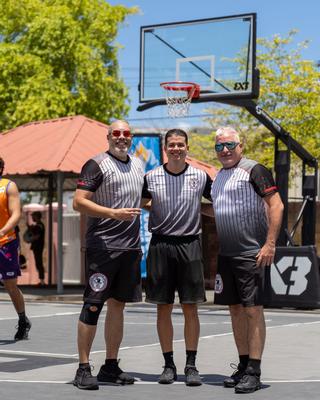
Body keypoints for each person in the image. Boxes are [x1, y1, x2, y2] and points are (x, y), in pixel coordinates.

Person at [210, 127, 284, 394]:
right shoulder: (218, 177)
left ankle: (254, 370)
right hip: (227, 255)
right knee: (235, 310)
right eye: (219, 147)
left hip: (251, 253)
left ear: (241, 145)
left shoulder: (254, 170)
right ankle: (243, 365)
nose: (225, 150)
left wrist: (270, 243)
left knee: (253, 310)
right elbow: (219, 210)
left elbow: (277, 205)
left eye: (229, 145)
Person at [72, 120, 144, 390]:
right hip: (102, 248)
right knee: (93, 304)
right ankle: (83, 367)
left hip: (130, 248)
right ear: (108, 136)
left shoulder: (138, 164)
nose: (121, 137)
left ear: (131, 137)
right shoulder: (96, 164)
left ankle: (110, 366)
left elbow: (143, 199)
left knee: (118, 306)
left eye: (126, 133)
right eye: (117, 133)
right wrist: (113, 213)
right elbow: (78, 201)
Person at [142, 129, 212, 386]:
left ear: (187, 147)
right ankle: (168, 364)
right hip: (161, 243)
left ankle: (191, 364)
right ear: (165, 148)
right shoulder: (151, 177)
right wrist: (158, 207)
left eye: (180, 145)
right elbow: (139, 200)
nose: (176, 149)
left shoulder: (200, 176)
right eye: (171, 145)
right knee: (163, 307)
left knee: (190, 307)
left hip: (190, 243)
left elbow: (219, 201)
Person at [0, 157, 31, 340]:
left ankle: (22, 319)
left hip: (5, 242)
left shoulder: (8, 186)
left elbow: (16, 214)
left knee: (10, 285)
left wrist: (2, 230)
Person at [28, 211, 45, 285]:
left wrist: (30, 239)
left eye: (33, 216)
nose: (32, 218)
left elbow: (37, 236)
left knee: (39, 263)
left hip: (38, 247)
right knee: (38, 263)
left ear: (37, 216)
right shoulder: (37, 225)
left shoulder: (39, 226)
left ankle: (42, 281)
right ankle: (41, 280)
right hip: (37, 247)